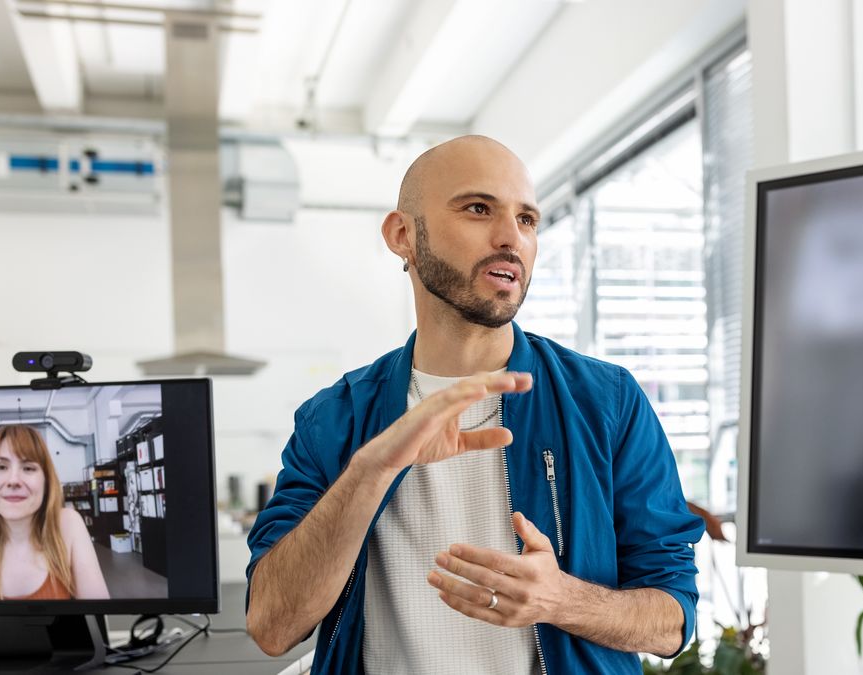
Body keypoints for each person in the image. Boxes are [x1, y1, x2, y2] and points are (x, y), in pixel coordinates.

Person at [245, 135, 704, 674]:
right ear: (402, 236)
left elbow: (673, 619)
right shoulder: (334, 419)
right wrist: (370, 470)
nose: (511, 237)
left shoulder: (606, 401)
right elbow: (272, 626)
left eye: (527, 219)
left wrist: (559, 599)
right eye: (478, 208)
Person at [0, 424, 110, 600]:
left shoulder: (68, 524)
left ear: (46, 481)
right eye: (1, 467)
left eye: (28, 468)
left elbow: (101, 617)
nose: (13, 480)